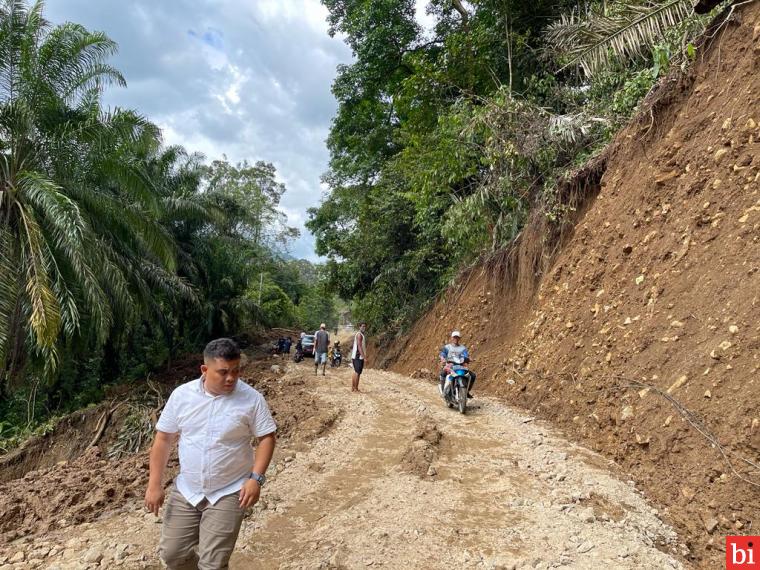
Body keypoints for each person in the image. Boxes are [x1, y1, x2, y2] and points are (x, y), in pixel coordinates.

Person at [144, 338, 276, 570]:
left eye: (235, 371)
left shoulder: (251, 399)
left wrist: (256, 479)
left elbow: (266, 437)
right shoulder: (182, 396)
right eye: (223, 372)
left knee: (213, 563)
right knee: (173, 554)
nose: (231, 378)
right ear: (204, 370)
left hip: (230, 490)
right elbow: (164, 439)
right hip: (188, 489)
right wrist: (154, 485)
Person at [439, 330, 476, 398]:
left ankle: (466, 391)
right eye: (454, 337)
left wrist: (468, 359)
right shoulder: (447, 347)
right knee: (443, 374)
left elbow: (466, 355)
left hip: (460, 366)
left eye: (457, 337)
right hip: (450, 366)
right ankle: (444, 391)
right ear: (451, 338)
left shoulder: (463, 348)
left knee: (473, 375)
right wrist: (442, 358)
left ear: (459, 338)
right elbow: (442, 354)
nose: (455, 339)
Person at [351, 322, 367, 392]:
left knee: (356, 372)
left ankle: (354, 387)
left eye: (364, 326)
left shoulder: (360, 335)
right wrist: (364, 357)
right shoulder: (359, 335)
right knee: (357, 372)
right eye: (362, 326)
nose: (363, 328)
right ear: (359, 327)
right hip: (358, 356)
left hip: (356, 356)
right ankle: (355, 388)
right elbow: (359, 346)